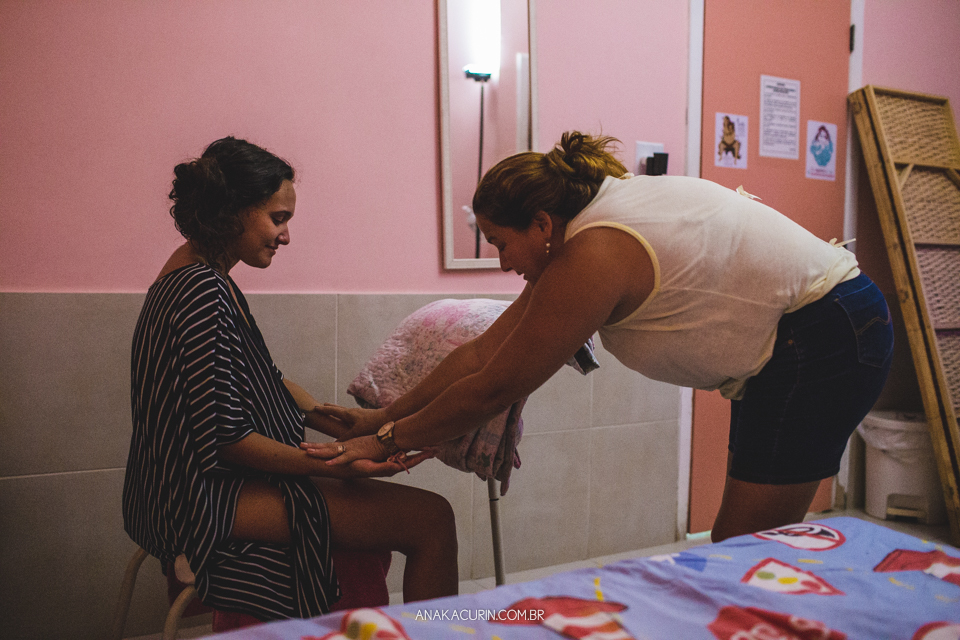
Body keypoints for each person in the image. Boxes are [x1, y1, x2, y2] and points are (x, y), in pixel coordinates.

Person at [304, 131, 894, 543]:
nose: (503, 261)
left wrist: (386, 440)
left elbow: (495, 386)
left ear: (541, 224)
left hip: (827, 332)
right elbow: (484, 352)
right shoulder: (585, 231)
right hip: (810, 335)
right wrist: (382, 417)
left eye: (501, 243)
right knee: (745, 541)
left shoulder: (595, 251)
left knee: (742, 545)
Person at [122, 137, 458, 622]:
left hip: (177, 489)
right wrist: (338, 465)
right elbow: (228, 440)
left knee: (402, 512)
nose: (285, 236)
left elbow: (266, 380)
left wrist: (336, 422)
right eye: (278, 218)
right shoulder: (202, 291)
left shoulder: (193, 271)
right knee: (432, 519)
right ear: (233, 211)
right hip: (199, 499)